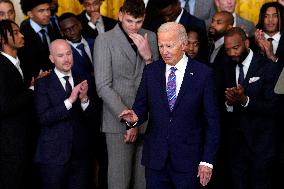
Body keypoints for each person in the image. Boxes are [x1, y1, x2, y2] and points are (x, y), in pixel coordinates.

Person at [120, 22, 220, 189]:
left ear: (183, 45)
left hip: (189, 162)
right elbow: (140, 109)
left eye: (169, 46)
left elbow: (213, 123)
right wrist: (133, 120)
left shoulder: (203, 74)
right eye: (160, 46)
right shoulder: (151, 71)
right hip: (156, 161)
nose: (164, 51)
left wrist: (207, 161)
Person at [94, 0, 159, 188]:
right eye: (129, 21)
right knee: (119, 182)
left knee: (144, 182)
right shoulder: (104, 40)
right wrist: (130, 119)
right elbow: (103, 86)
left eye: (138, 22)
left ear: (144, 18)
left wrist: (148, 57)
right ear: (120, 15)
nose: (134, 27)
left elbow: (157, 82)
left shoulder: (151, 37)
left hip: (147, 121)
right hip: (118, 122)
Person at [220, 27, 279, 189]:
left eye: (236, 47)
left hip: (261, 145)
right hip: (236, 146)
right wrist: (229, 103)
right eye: (227, 50)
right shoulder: (225, 66)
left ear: (246, 43)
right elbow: (222, 104)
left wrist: (245, 100)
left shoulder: (267, 67)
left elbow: (274, 106)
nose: (232, 53)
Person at [34, 39, 95, 189]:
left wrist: (84, 99)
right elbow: (44, 118)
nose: (67, 59)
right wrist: (70, 100)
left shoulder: (84, 78)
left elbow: (93, 117)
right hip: (53, 155)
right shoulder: (43, 83)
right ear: (52, 58)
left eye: (69, 54)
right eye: (61, 55)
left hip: (81, 154)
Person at [59, 12, 107, 189]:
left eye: (73, 27)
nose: (71, 32)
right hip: (82, 113)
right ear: (62, 33)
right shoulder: (64, 53)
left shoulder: (95, 43)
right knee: (85, 164)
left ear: (80, 25)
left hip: (104, 109)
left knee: (106, 160)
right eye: (66, 30)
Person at [0, 19, 48, 189]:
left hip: (24, 140)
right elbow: (4, 106)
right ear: (2, 38)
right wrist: (32, 89)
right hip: (10, 146)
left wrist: (34, 85)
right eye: (15, 32)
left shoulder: (19, 62)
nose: (21, 35)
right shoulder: (2, 66)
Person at [19, 0, 61, 85]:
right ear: (30, 14)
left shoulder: (53, 26)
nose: (47, 14)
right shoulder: (22, 35)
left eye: (48, 9)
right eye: (41, 11)